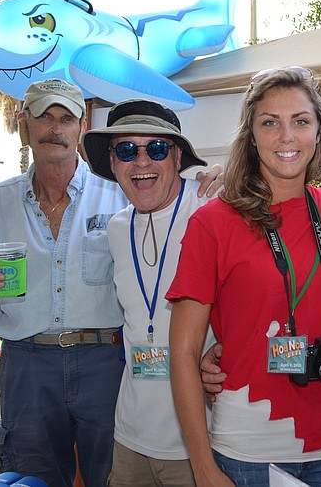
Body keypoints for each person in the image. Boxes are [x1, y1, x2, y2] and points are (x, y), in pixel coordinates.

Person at [0, 79, 222, 487]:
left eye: (66, 118)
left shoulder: (121, 190)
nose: (55, 128)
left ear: (81, 126)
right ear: (23, 123)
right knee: (30, 478)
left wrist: (225, 178)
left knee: (107, 475)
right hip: (26, 363)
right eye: (44, 116)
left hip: (103, 362)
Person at [166, 67, 321, 487]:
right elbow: (183, 353)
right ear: (251, 135)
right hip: (250, 444)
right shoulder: (214, 223)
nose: (287, 136)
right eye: (270, 123)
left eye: (301, 121)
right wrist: (203, 468)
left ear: (318, 132)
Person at [81, 99, 217, 485]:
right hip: (130, 439)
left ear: (177, 157)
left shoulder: (213, 208)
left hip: (197, 443)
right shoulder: (116, 228)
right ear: (112, 162)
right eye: (126, 150)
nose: (141, 162)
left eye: (156, 148)